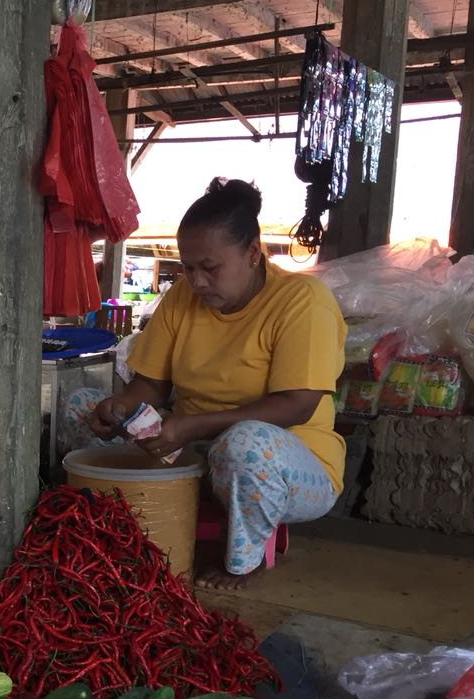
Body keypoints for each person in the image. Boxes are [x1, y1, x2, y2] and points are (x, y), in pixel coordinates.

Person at [74, 178, 346, 590]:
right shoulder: (182, 298)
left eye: (210, 267)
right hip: (191, 451)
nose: (197, 281)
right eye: (188, 267)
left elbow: (297, 404)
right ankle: (109, 533)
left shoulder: (302, 300)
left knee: (244, 445)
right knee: (79, 405)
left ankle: (243, 562)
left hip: (287, 467)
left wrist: (192, 426)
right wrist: (121, 406)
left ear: (253, 254)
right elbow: (150, 386)